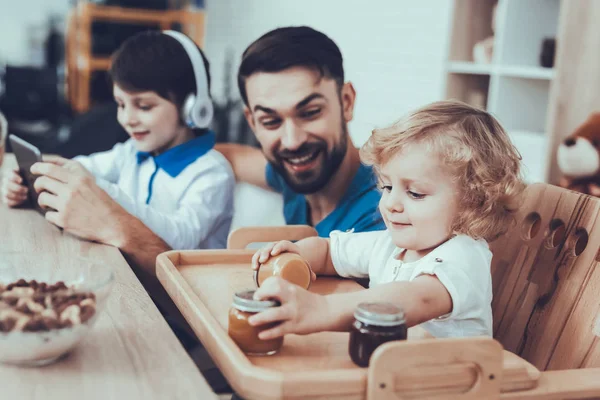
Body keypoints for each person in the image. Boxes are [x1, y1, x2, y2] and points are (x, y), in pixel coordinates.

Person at [249, 100, 525, 339]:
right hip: (392, 374)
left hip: (449, 385)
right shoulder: (390, 244)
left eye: (415, 193)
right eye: (387, 187)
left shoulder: (463, 258)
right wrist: (296, 255)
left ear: (473, 202)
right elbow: (329, 252)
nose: (391, 203)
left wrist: (322, 310)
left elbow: (414, 298)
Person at [2, 31, 234, 261]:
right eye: (121, 105)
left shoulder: (212, 172)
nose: (127, 119)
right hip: (129, 273)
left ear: (192, 107)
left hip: (175, 293)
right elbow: (85, 166)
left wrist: (101, 194)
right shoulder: (132, 151)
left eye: (144, 106)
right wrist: (33, 179)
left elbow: (178, 241)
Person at [216, 26, 385, 235]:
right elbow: (231, 157)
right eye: (270, 121)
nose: (292, 141)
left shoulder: (386, 214)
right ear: (253, 123)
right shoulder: (292, 173)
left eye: (310, 112)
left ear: (346, 102)